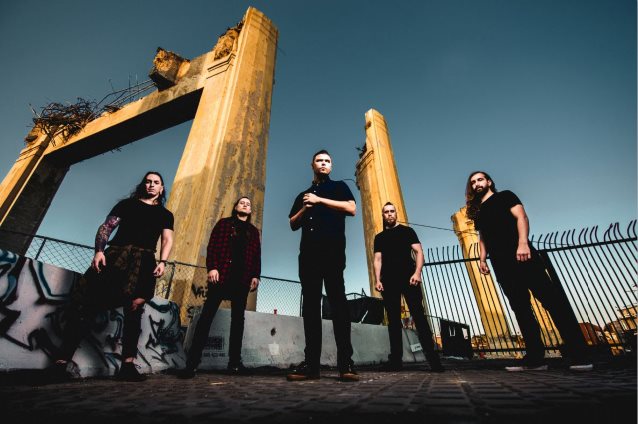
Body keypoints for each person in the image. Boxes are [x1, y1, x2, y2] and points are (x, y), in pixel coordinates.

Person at [48, 171, 174, 382]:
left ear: (161, 188)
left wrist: (162, 262)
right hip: (115, 256)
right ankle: (61, 363)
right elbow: (107, 227)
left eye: (156, 182)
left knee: (134, 310)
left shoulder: (165, 214)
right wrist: (99, 251)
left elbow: (167, 239)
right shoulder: (126, 205)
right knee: (86, 305)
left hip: (144, 261)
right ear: (143, 185)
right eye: (148, 181)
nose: (152, 185)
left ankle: (127, 367)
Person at [465, 171, 593, 372]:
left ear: (489, 182)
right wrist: (482, 259)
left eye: (480, 179)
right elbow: (483, 237)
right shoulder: (480, 211)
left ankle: (579, 354)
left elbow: (521, 217)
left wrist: (523, 243)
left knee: (551, 301)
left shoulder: (505, 196)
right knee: (521, 309)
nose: (476, 184)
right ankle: (535, 358)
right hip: (501, 264)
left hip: (523, 255)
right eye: (473, 182)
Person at [286, 150, 358, 382]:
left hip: (333, 254)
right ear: (312, 165)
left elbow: (351, 208)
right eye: (319, 160)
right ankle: (311, 365)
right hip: (308, 256)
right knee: (310, 309)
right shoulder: (303, 195)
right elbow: (292, 223)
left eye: (327, 161)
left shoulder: (339, 187)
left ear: (331, 166)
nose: (324, 164)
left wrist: (320, 201)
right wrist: (305, 208)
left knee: (339, 306)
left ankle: (346, 364)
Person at [178, 197, 261, 378]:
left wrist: (256, 275)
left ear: (250, 210)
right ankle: (192, 364)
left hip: (242, 280)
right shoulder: (223, 224)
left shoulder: (253, 232)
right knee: (206, 318)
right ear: (235, 207)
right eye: (242, 203)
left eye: (248, 204)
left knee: (238, 321)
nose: (245, 205)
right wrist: (213, 267)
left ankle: (234, 364)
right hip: (221, 277)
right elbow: (212, 247)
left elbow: (257, 256)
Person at [373, 202, 444, 372]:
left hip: (408, 278)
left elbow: (419, 252)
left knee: (419, 317)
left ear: (396, 213)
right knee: (393, 321)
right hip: (388, 281)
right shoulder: (379, 237)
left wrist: (417, 273)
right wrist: (377, 280)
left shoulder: (407, 231)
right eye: (386, 212)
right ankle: (396, 361)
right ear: (383, 215)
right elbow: (378, 259)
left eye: (392, 211)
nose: (389, 214)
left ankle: (433, 360)